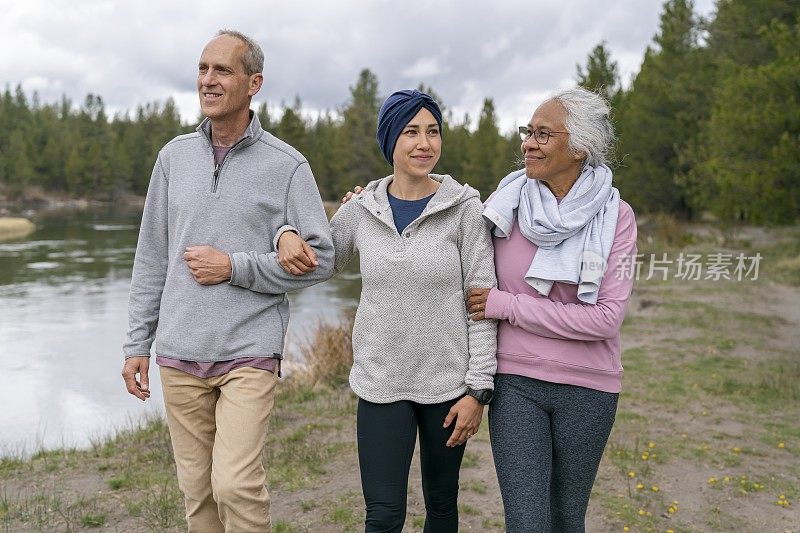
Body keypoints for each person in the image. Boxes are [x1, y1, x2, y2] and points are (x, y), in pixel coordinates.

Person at [121, 30, 334, 532]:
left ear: (253, 83)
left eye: (222, 71)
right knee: (197, 496)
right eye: (203, 69)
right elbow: (151, 256)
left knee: (234, 484)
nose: (208, 80)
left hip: (248, 350)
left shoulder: (287, 166)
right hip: (178, 351)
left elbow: (322, 259)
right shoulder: (173, 158)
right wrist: (137, 343)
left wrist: (235, 267)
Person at [277, 89, 497, 532]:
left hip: (447, 387)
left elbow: (483, 303)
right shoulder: (362, 209)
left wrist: (478, 391)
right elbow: (317, 262)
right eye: (411, 132)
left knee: (441, 506)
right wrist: (285, 229)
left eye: (433, 132)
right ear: (390, 141)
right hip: (381, 385)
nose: (424, 143)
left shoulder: (465, 210)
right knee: (382, 516)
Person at [466, 86, 637, 533]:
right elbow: (451, 248)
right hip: (516, 384)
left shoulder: (618, 217)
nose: (528, 143)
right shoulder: (505, 205)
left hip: (589, 388)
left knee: (566, 519)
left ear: (579, 147)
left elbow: (605, 319)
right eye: (528, 131)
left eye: (543, 134)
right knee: (526, 522)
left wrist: (508, 305)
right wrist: (371, 204)